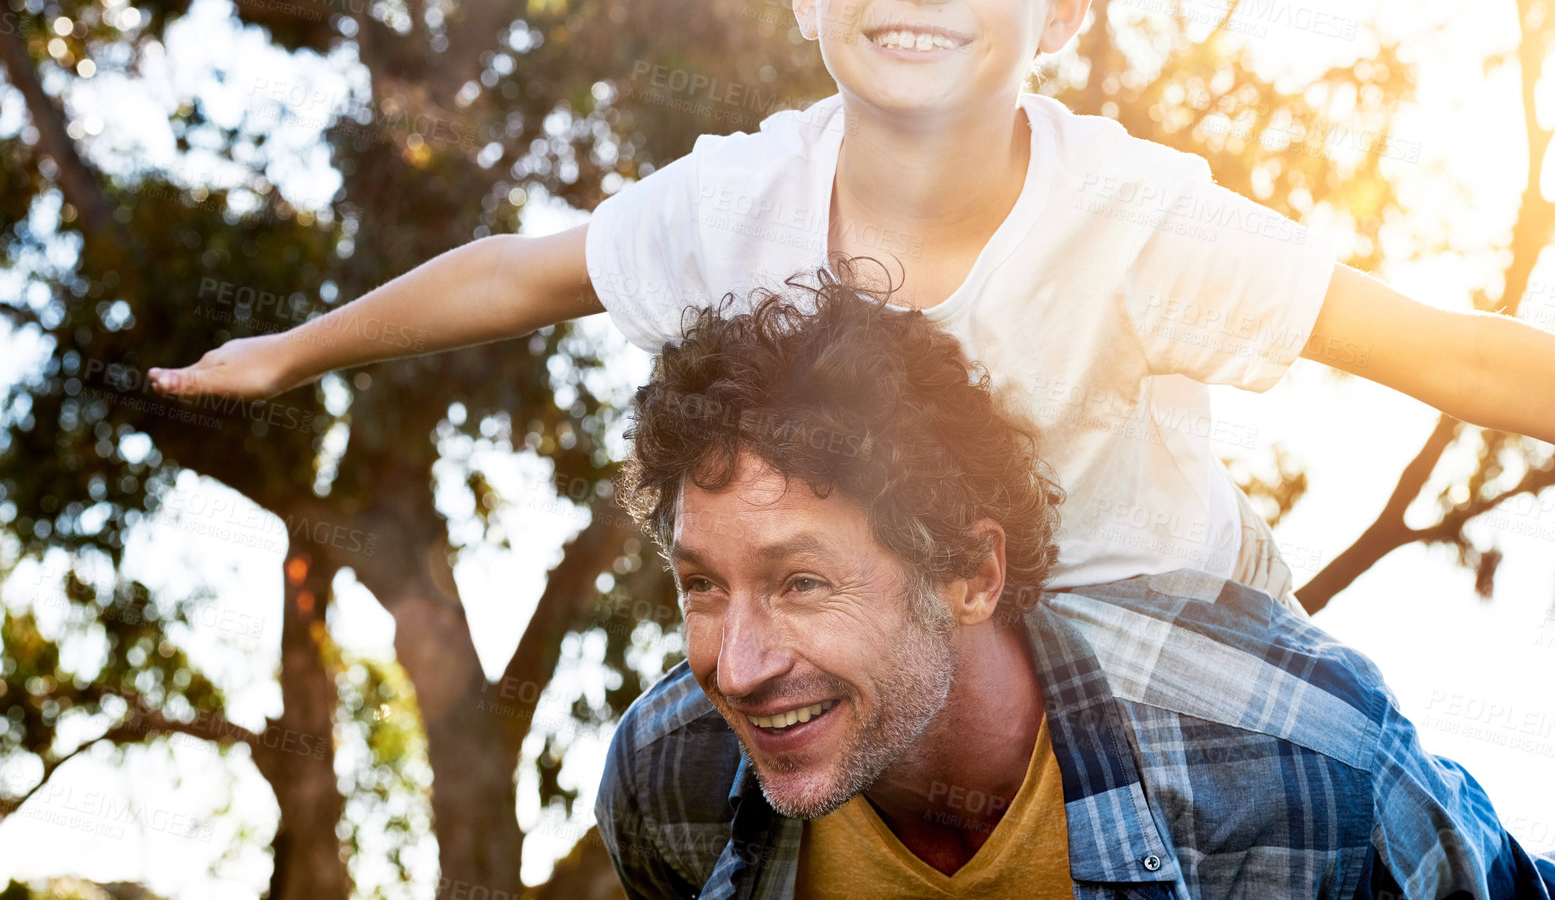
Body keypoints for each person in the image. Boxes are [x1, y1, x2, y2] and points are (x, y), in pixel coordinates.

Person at [146, 0, 1555, 607]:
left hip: (1158, 602)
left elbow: (1428, 344)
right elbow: (521, 270)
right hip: (922, 624)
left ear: (1063, 6)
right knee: (672, 760)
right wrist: (290, 349)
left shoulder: (1133, 221)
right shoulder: (742, 200)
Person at [594, 266, 1555, 899]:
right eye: (702, 585)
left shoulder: (1301, 764)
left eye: (801, 582)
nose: (739, 665)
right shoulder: (667, 779)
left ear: (972, 573)